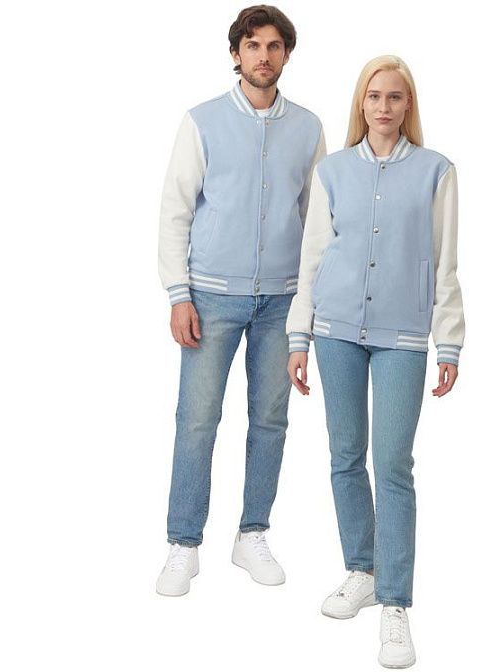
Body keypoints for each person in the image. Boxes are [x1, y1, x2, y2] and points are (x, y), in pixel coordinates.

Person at [285, 55, 464, 668]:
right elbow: (312, 257)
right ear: (360, 104)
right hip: (334, 329)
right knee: (344, 456)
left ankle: (395, 602)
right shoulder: (332, 171)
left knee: (392, 465)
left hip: (403, 336)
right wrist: (298, 336)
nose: (383, 107)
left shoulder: (437, 172)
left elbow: (445, 260)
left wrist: (449, 339)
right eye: (373, 96)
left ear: (408, 105)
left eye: (395, 97)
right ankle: (361, 570)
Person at [155, 5, 326, 597]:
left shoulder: (308, 129)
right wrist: (179, 294)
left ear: (286, 54)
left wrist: (309, 304)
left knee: (271, 420)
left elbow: (317, 222)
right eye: (253, 45)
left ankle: (252, 533)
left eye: (274, 46)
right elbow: (175, 211)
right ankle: (183, 543)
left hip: (282, 301)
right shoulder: (201, 122)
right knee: (197, 420)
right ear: (236, 53)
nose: (263, 56)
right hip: (211, 298)